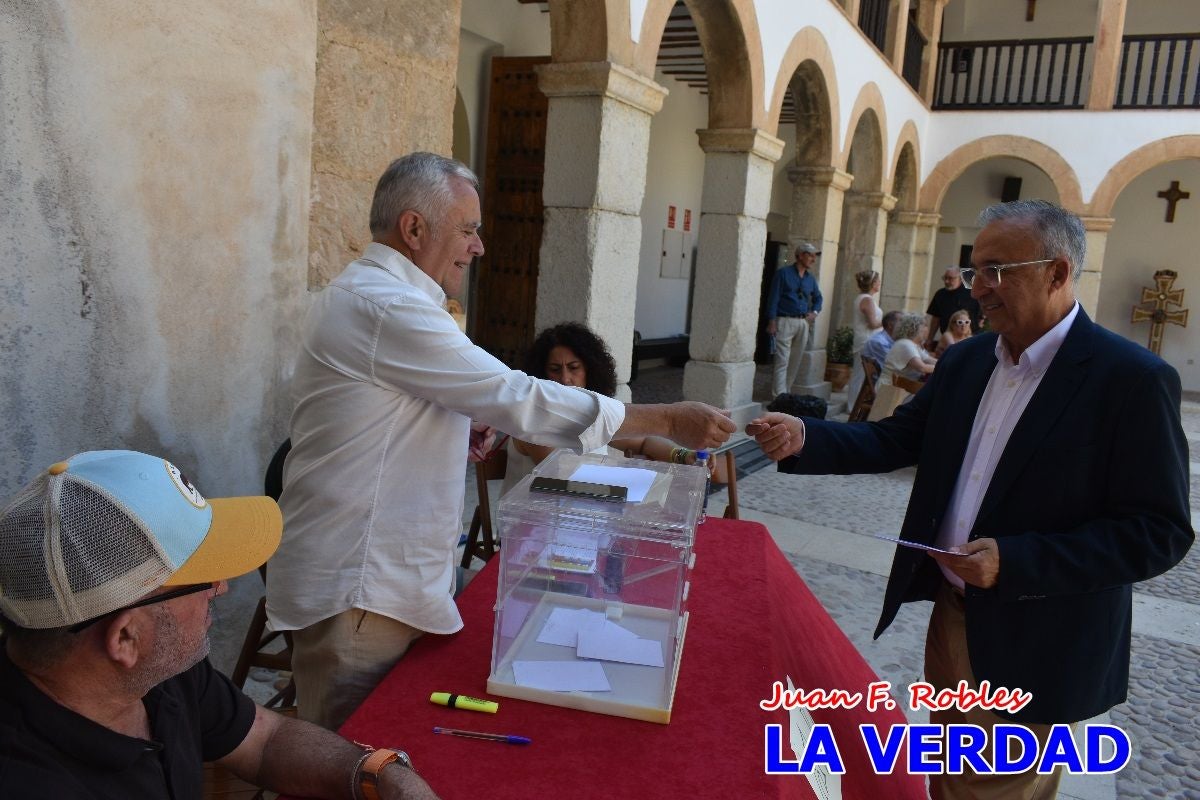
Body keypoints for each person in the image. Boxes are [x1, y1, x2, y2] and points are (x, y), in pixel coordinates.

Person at [269, 152, 735, 731]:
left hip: (381, 584)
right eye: (468, 230)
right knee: (349, 760)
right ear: (414, 229)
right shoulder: (385, 304)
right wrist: (662, 420)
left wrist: (455, 422)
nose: (478, 246)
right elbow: (511, 392)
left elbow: (404, 404)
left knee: (377, 750)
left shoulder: (383, 298)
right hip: (363, 589)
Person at [747, 200, 1193, 799]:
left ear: (1058, 272)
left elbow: (1157, 531)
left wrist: (1015, 562)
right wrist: (808, 438)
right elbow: (896, 438)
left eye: (998, 270)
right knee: (950, 781)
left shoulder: (1130, 380)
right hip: (953, 619)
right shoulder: (966, 361)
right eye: (975, 268)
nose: (978, 288)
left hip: (1039, 636)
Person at [0, 450, 440, 800]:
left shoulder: (157, 671)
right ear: (125, 637)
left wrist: (380, 774)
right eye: (203, 578)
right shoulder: (31, 781)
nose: (222, 587)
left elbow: (263, 740)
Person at [500, 322, 728, 496]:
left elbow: (642, 441)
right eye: (554, 369)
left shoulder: (593, 415)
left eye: (573, 368)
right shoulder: (532, 420)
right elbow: (562, 477)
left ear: (590, 370)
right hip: (531, 530)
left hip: (587, 516)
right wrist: (635, 489)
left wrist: (681, 455)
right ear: (541, 373)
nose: (565, 379)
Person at [765, 242, 824, 397]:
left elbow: (818, 298)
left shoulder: (810, 279)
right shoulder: (783, 273)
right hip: (784, 320)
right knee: (782, 360)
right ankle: (779, 396)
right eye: (810, 255)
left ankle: (786, 393)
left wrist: (815, 312)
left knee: (795, 360)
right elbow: (774, 297)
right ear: (799, 255)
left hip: (803, 322)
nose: (813, 259)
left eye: (814, 256)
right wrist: (771, 321)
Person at [868, 312, 936, 421]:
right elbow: (922, 367)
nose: (927, 330)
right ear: (916, 328)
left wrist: (947, 362)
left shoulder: (913, 345)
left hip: (902, 388)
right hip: (889, 390)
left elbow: (930, 360)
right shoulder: (905, 344)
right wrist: (944, 367)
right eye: (925, 326)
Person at [845, 270, 883, 405]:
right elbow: (873, 323)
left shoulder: (864, 298)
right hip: (867, 341)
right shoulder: (866, 299)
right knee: (861, 375)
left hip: (866, 340)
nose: (879, 283)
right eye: (878, 281)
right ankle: (853, 405)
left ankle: (854, 403)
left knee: (861, 374)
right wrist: (889, 321)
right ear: (873, 284)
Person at [926, 266, 982, 347]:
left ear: (960, 278)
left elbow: (981, 312)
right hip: (947, 336)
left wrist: (981, 320)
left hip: (969, 337)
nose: (946, 281)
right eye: (945, 278)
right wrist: (930, 338)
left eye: (950, 278)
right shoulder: (940, 294)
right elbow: (936, 318)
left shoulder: (971, 293)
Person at [860, 309, 902, 375]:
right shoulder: (878, 342)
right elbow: (895, 365)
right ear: (890, 325)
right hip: (886, 381)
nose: (905, 326)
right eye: (901, 322)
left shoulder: (896, 340)